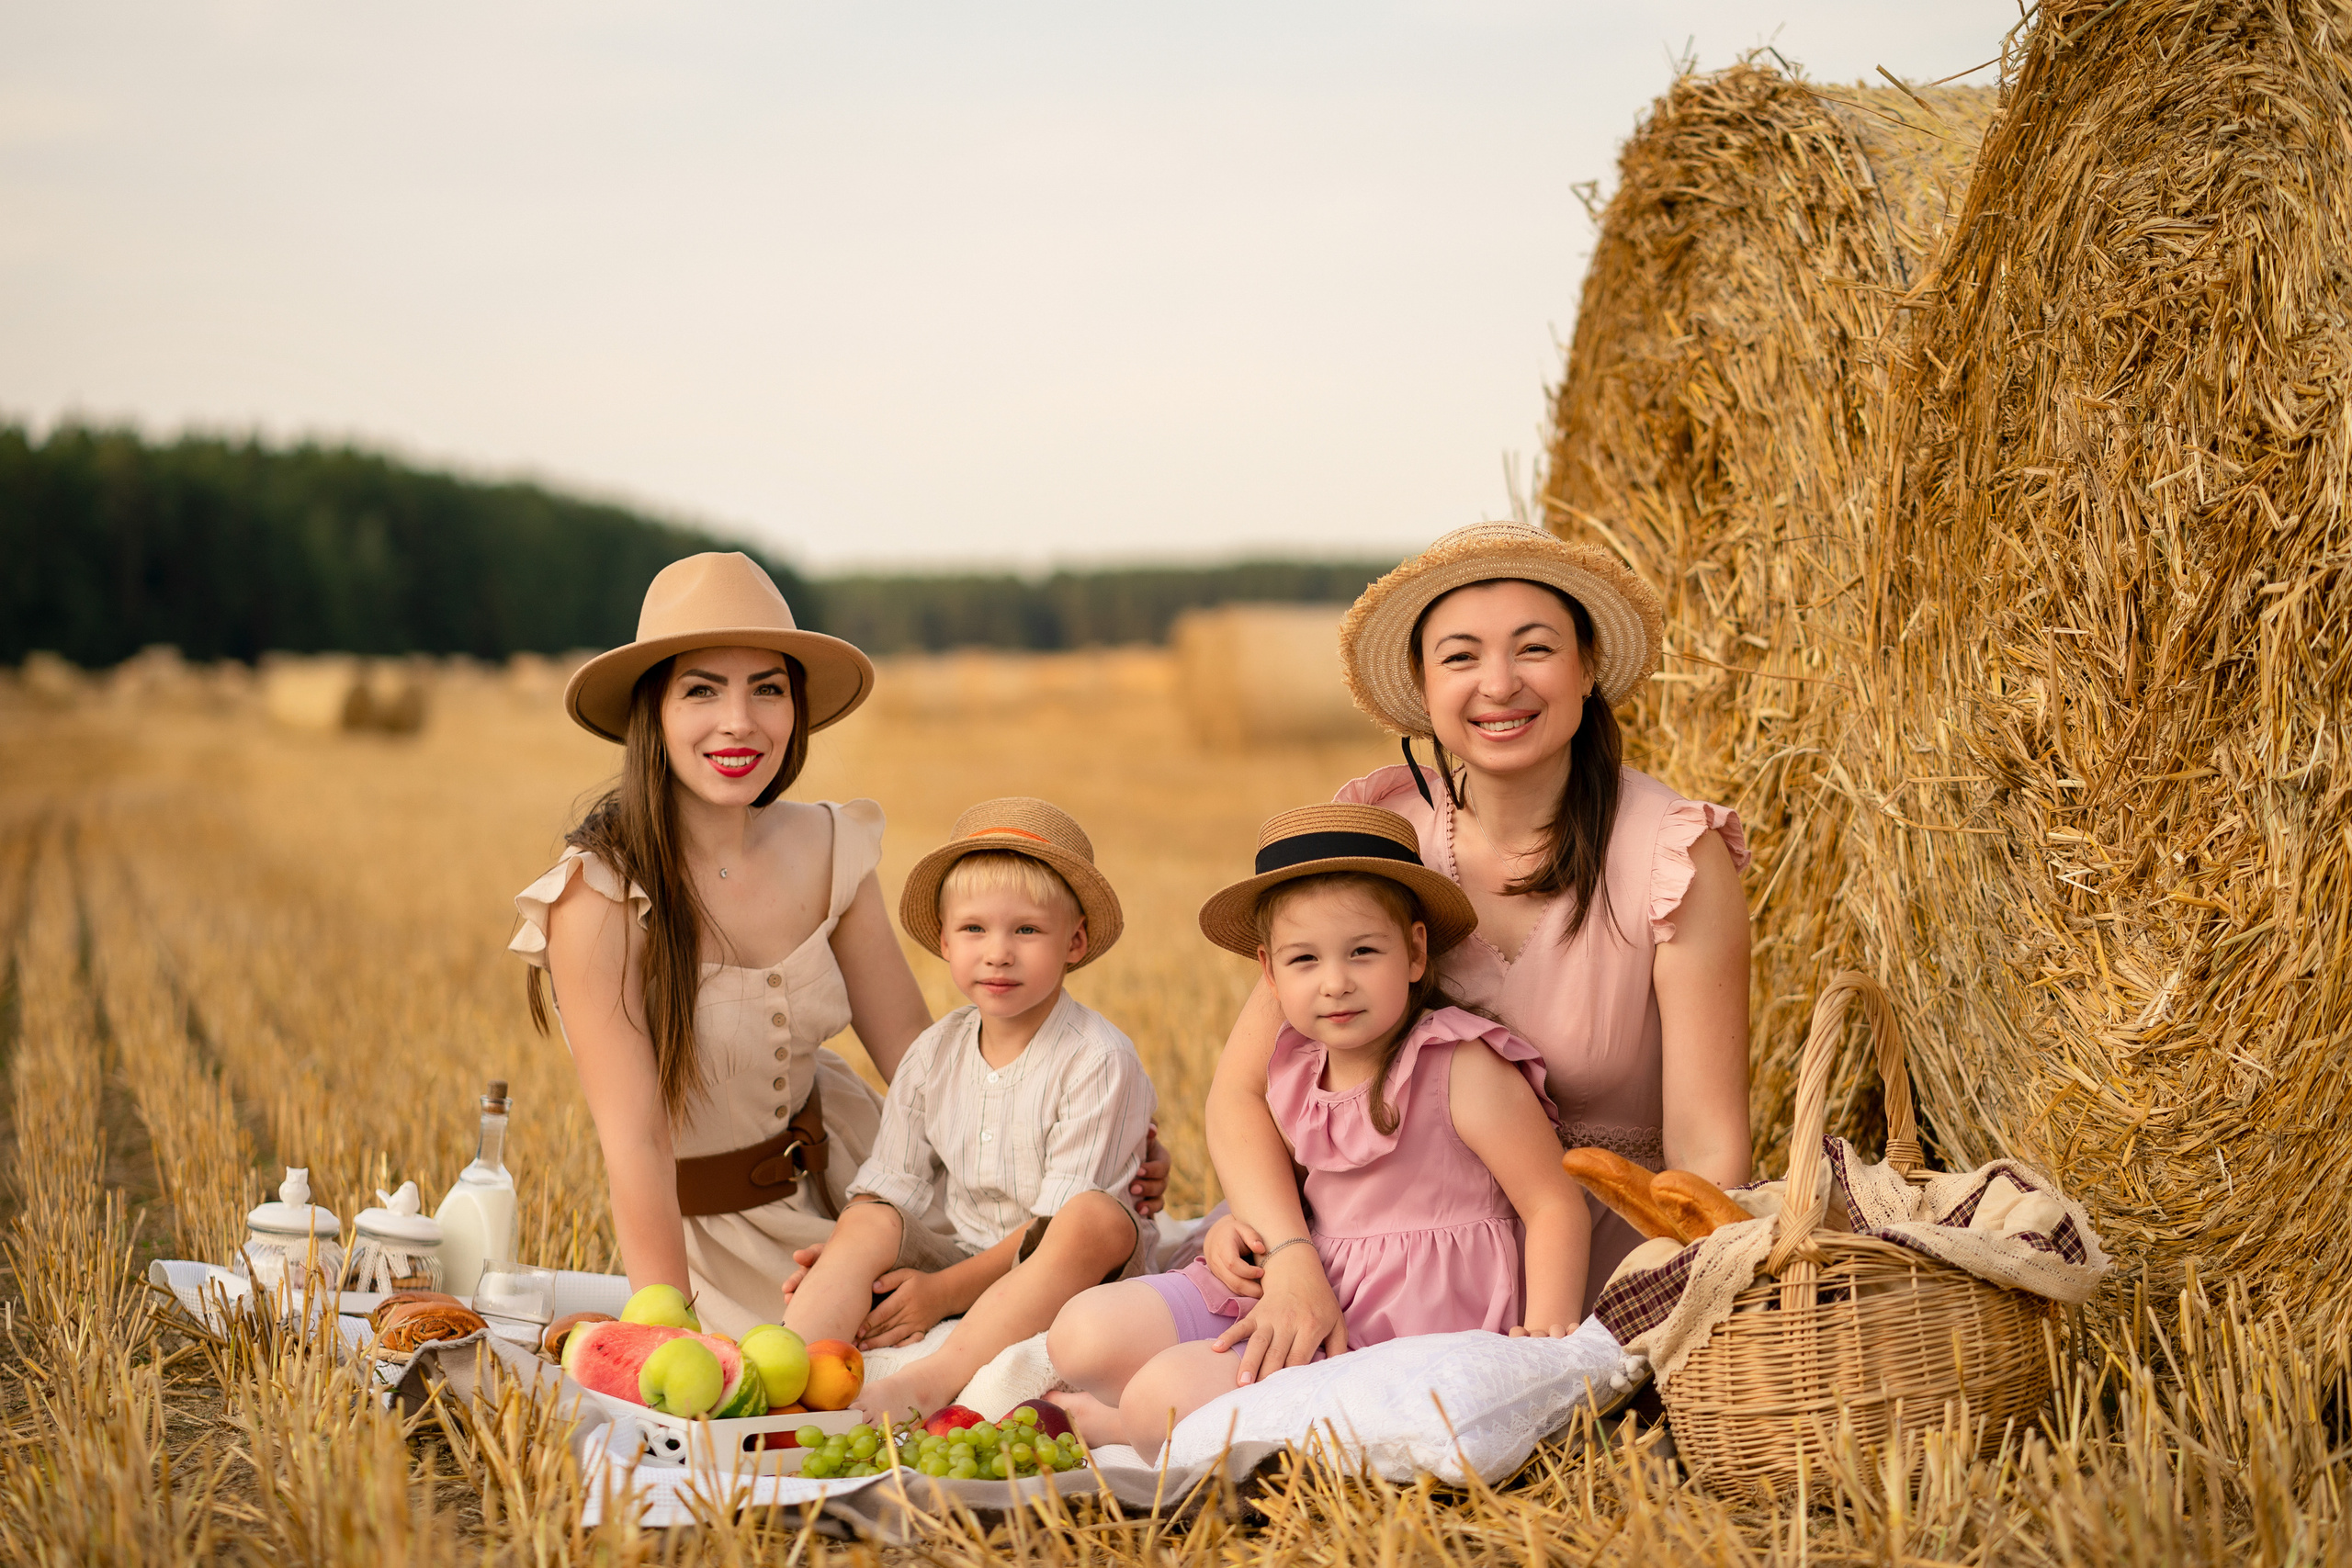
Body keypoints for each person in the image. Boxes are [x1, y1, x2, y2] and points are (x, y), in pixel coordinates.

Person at [510, 554, 1167, 1339]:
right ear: (652, 708)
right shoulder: (598, 894)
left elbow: (928, 1063)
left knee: (1044, 1330)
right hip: (714, 1245)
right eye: (702, 690)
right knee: (814, 1383)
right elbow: (638, 1147)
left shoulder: (830, 845)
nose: (740, 722)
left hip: (862, 1194)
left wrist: (1096, 1156)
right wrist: (669, 1332)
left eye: (768, 689)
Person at [1197, 522, 1753, 1383]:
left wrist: (1641, 1327)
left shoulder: (1671, 854)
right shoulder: (1389, 837)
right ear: (1424, 686)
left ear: (1587, 666)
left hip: (1597, 1273)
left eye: (1535, 648)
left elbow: (1709, 1149)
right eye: (1460, 656)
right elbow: (1241, 1089)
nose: (1499, 684)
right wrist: (1288, 1247)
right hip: (1382, 1261)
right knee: (1122, 1354)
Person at [1047, 805, 1587, 1455]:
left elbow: (1553, 1202)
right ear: (1269, 974)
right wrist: (1241, 1230)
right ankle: (1152, 1417)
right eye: (1304, 959)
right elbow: (1306, 1193)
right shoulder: (1296, 1070)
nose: (1336, 983)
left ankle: (1124, 1425)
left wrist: (1547, 1352)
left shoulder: (1460, 1066)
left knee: (1153, 1402)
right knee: (1080, 1336)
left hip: (1407, 1323)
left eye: (1363, 952)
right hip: (1315, 1277)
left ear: (1415, 952)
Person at [781, 799, 1157, 1422]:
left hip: (1070, 1272)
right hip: (964, 1249)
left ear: (1075, 940)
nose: (998, 953)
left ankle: (934, 1378)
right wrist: (847, 1261)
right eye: (975, 929)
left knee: (1091, 1218)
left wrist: (941, 1293)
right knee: (869, 1216)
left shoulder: (1098, 1057)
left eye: (1026, 930)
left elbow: (1052, 1229)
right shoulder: (934, 1052)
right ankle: (791, 1365)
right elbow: (892, 1186)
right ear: (945, 940)